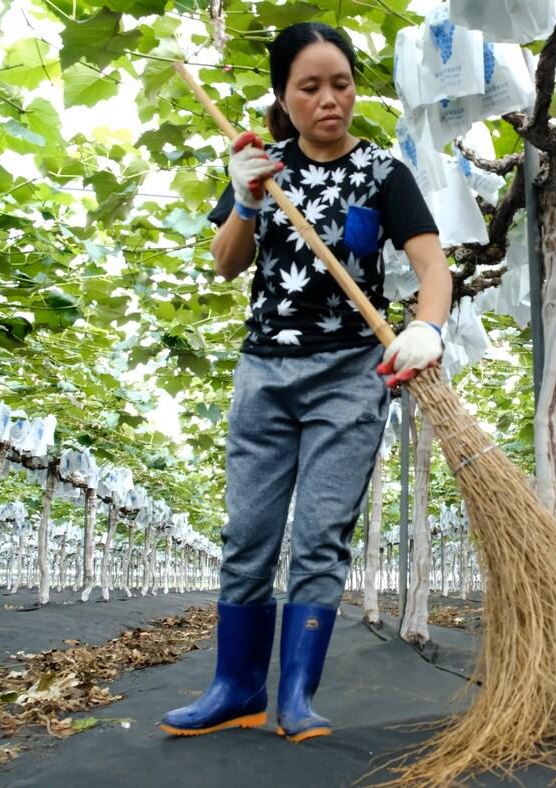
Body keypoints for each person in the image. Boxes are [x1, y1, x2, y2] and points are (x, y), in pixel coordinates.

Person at [160, 21, 451, 742]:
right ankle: (235, 689)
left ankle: (295, 697)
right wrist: (248, 201)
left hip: (350, 376)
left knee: (321, 537)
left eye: (341, 84)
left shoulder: (386, 175)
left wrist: (428, 328)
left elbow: (432, 268)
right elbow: (226, 264)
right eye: (310, 87)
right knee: (248, 536)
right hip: (265, 373)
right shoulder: (263, 164)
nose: (330, 100)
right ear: (284, 98)